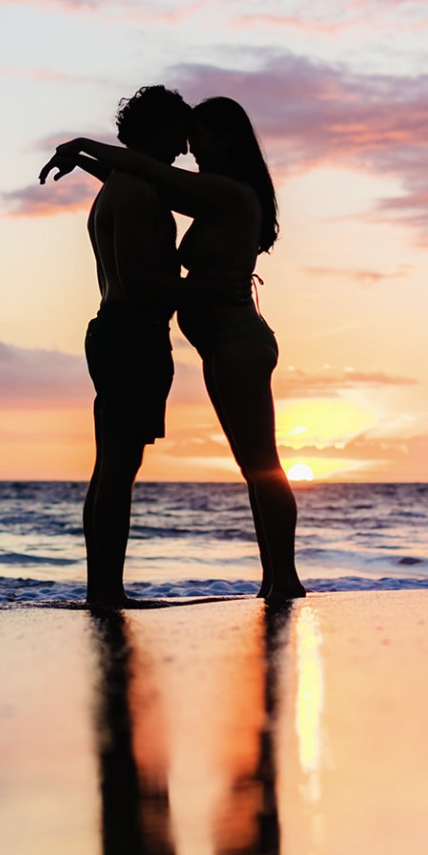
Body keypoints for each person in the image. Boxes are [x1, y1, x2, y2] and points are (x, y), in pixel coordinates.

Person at [40, 96, 305, 602]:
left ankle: (283, 579)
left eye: (198, 134)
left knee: (260, 464)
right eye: (184, 133)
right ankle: (269, 580)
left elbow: (145, 178)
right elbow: (143, 182)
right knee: (243, 466)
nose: (188, 146)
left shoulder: (226, 192)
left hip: (237, 343)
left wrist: (87, 150)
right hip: (186, 343)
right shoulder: (174, 190)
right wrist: (90, 158)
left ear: (225, 139)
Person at [69, 85, 190, 607]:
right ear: (157, 130)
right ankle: (107, 593)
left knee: (111, 467)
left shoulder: (119, 184)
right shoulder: (137, 191)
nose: (185, 148)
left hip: (116, 329)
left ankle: (104, 589)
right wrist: (206, 286)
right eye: (178, 134)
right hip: (133, 332)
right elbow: (142, 281)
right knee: (118, 469)